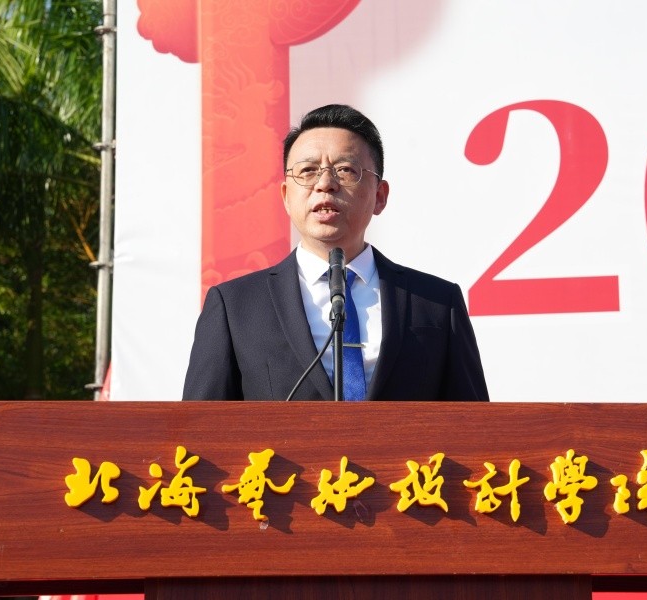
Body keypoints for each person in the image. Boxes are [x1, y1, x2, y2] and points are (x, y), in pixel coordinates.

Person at [182, 104, 488, 401]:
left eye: (345, 170)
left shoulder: (436, 303)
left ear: (380, 196)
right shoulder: (235, 306)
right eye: (308, 171)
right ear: (286, 196)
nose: (325, 184)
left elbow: (475, 425)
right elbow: (200, 427)